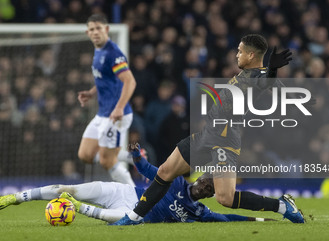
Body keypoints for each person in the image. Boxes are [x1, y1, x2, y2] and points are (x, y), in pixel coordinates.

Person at [114, 34, 307, 225]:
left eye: (240, 51)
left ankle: (282, 206)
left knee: (225, 198)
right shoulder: (249, 73)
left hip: (225, 139)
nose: (236, 54)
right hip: (208, 134)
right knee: (164, 171)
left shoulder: (258, 75)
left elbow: (266, 82)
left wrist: (272, 69)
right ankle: (133, 217)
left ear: (250, 55)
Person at [0, 144, 274, 224]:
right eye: (207, 182)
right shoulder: (175, 179)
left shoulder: (199, 213)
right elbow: (145, 169)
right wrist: (136, 154)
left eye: (211, 190)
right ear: (200, 176)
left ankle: (77, 209)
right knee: (64, 189)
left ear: (211, 195)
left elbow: (226, 217)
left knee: (127, 218)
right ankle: (15, 198)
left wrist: (258, 221)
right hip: (124, 192)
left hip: (132, 213)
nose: (206, 187)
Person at [77, 14, 136, 186]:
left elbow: (130, 81)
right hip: (103, 114)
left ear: (107, 29)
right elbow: (108, 79)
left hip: (117, 114)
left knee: (106, 161)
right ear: (88, 32)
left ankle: (136, 198)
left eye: (99, 28)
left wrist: (119, 108)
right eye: (92, 29)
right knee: (85, 155)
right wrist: (92, 92)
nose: (95, 32)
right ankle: (130, 156)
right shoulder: (98, 50)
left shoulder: (113, 53)